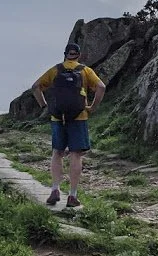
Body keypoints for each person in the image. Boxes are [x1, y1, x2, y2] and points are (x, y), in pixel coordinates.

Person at [31, 42, 105, 207]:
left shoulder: (55, 70)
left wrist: (44, 106)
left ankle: (55, 190)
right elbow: (101, 87)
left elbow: (35, 87)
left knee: (57, 153)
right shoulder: (85, 71)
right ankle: (72, 195)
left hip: (58, 117)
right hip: (79, 117)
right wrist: (93, 107)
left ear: (65, 54)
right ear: (78, 55)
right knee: (75, 155)